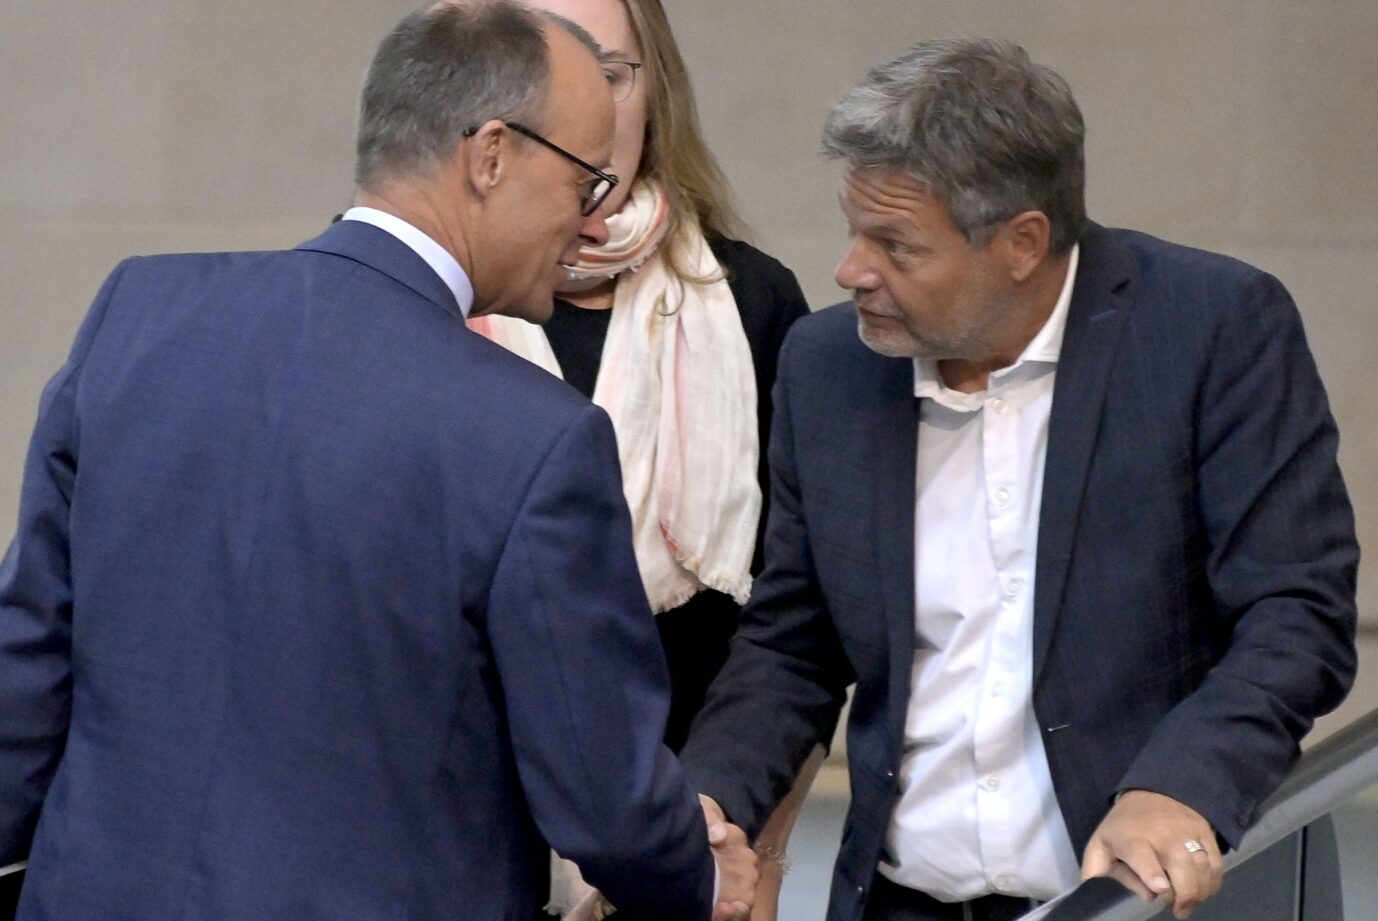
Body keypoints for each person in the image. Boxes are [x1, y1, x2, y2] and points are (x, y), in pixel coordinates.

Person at [0, 3, 757, 919]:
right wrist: (705, 875)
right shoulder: (535, 438)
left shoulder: (139, 313)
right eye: (586, 182)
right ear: (489, 155)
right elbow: (601, 789)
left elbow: (25, 670)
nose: (588, 220)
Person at [681, 36, 1359, 921]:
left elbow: (1296, 612)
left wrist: (1179, 785)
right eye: (855, 231)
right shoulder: (828, 367)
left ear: (1022, 243)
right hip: (904, 900)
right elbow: (791, 642)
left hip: (1137, 904)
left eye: (896, 245)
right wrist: (704, 798)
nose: (851, 271)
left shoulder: (1213, 330)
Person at [465, 1, 817, 918]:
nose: (583, 106)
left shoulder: (755, 304)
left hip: (693, 850)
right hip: (459, 850)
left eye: (611, 74)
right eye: (546, 74)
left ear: (655, 91)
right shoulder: (416, 303)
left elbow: (796, 619)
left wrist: (752, 854)